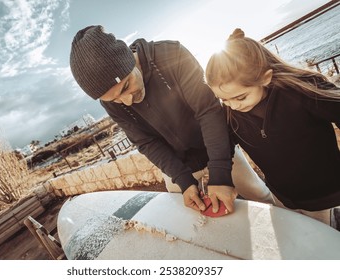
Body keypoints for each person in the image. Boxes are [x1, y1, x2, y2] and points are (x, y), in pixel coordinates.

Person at [69, 25, 273, 214]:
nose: (128, 100)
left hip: (220, 149)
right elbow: (147, 143)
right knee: (190, 220)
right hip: (177, 167)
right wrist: (183, 181)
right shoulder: (112, 102)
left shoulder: (171, 54)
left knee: (261, 197)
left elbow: (208, 111)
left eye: (126, 86)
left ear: (129, 60)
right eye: (115, 99)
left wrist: (219, 172)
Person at [205, 28, 340, 226]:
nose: (233, 105)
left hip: (330, 198)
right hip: (283, 200)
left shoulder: (301, 89)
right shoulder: (229, 114)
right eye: (223, 99)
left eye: (240, 97)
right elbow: (222, 149)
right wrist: (219, 178)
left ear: (265, 78)